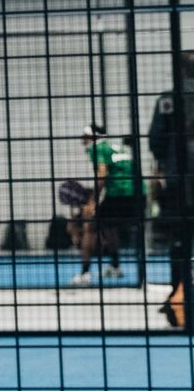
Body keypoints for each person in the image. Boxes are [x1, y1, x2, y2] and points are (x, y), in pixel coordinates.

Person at [149, 54, 194, 326]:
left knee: (179, 241)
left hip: (178, 180)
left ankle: (179, 295)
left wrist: (166, 163)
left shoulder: (168, 100)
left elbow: (156, 140)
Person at [68, 123, 139, 288]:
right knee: (109, 226)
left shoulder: (96, 148)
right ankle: (115, 266)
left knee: (90, 226)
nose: (82, 139)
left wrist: (92, 201)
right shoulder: (115, 147)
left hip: (118, 193)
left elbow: (102, 173)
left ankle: (84, 274)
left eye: (85, 136)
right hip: (137, 193)